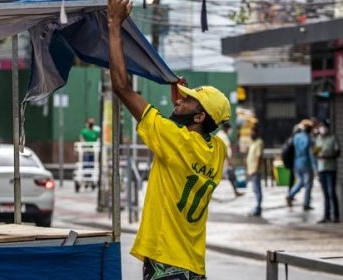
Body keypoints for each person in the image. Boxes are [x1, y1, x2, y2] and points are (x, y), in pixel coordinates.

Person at [108, 2, 231, 278]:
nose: (181, 99)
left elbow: (121, 87)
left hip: (167, 263)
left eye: (189, 100)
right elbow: (192, 127)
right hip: (193, 266)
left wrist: (114, 24)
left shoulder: (175, 141)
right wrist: (182, 105)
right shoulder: (217, 150)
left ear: (200, 117)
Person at [286, 119, 316, 211]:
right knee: (308, 184)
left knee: (300, 181)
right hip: (306, 162)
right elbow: (310, 153)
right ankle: (306, 203)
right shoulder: (308, 138)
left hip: (297, 162)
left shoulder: (296, 136)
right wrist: (315, 166)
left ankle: (290, 195)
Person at [314, 120, 340, 223]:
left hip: (331, 169)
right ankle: (326, 215)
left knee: (331, 192)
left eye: (324, 127)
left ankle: (336, 216)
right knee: (325, 193)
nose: (322, 129)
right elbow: (315, 152)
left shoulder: (333, 138)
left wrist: (328, 157)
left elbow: (338, 153)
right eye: (321, 127)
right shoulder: (318, 139)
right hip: (321, 169)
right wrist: (318, 155)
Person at [216, 122, 244, 198]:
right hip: (223, 161)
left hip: (224, 161)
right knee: (216, 177)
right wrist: (229, 160)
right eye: (229, 129)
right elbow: (224, 149)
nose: (230, 130)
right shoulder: (222, 136)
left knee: (231, 176)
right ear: (226, 128)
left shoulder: (222, 135)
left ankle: (236, 191)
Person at [246, 126, 264, 216]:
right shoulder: (253, 143)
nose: (251, 134)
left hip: (255, 170)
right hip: (251, 170)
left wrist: (256, 169)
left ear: (256, 133)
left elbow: (259, 156)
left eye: (252, 132)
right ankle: (257, 207)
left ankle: (258, 207)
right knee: (254, 189)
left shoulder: (259, 142)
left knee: (257, 189)